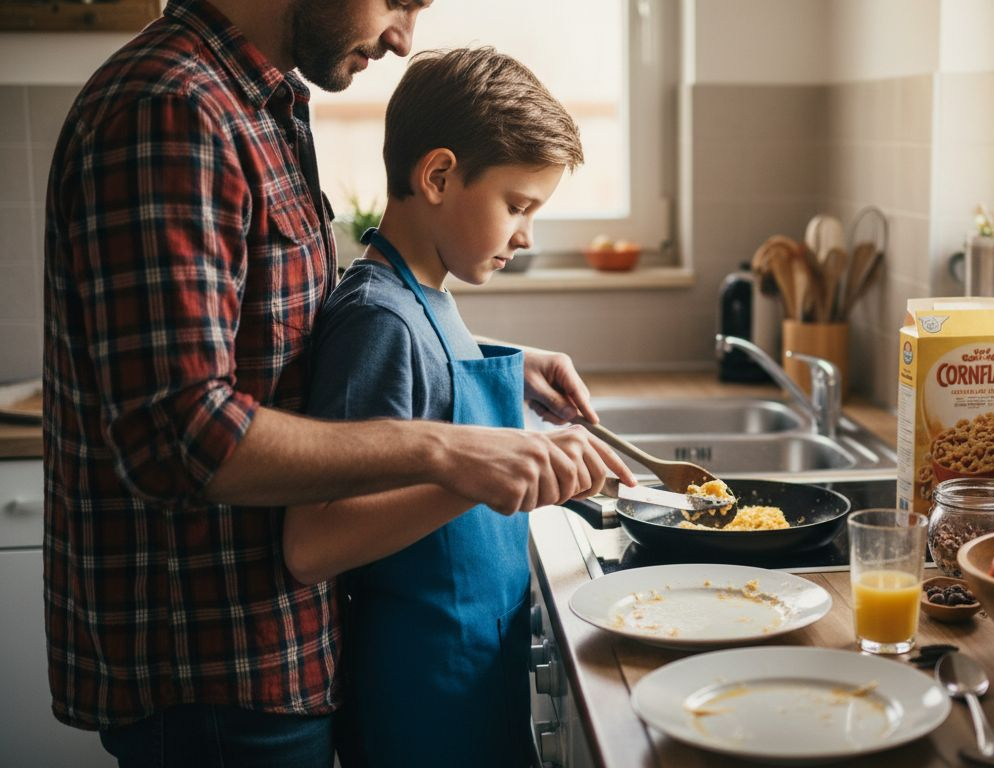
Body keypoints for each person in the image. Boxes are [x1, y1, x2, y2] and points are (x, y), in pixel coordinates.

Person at [42, 1, 632, 765]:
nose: (402, 37)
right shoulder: (172, 110)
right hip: (215, 674)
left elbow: (302, 336)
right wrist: (453, 454)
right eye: (398, 0)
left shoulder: (261, 106)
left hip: (277, 658)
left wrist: (488, 358)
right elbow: (184, 433)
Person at [280, 46, 623, 767]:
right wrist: (472, 477)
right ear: (438, 176)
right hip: (418, 700)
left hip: (469, 672)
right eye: (517, 205)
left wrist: (515, 371)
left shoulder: (425, 296)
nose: (526, 235)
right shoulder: (380, 320)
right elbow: (313, 542)